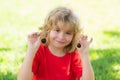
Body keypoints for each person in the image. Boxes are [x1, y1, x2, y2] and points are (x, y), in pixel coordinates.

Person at [18, 7, 94, 80]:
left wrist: (84, 55)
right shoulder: (39, 50)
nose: (61, 37)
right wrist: (31, 51)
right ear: (48, 29)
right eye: (57, 30)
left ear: (74, 36)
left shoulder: (74, 53)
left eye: (68, 33)